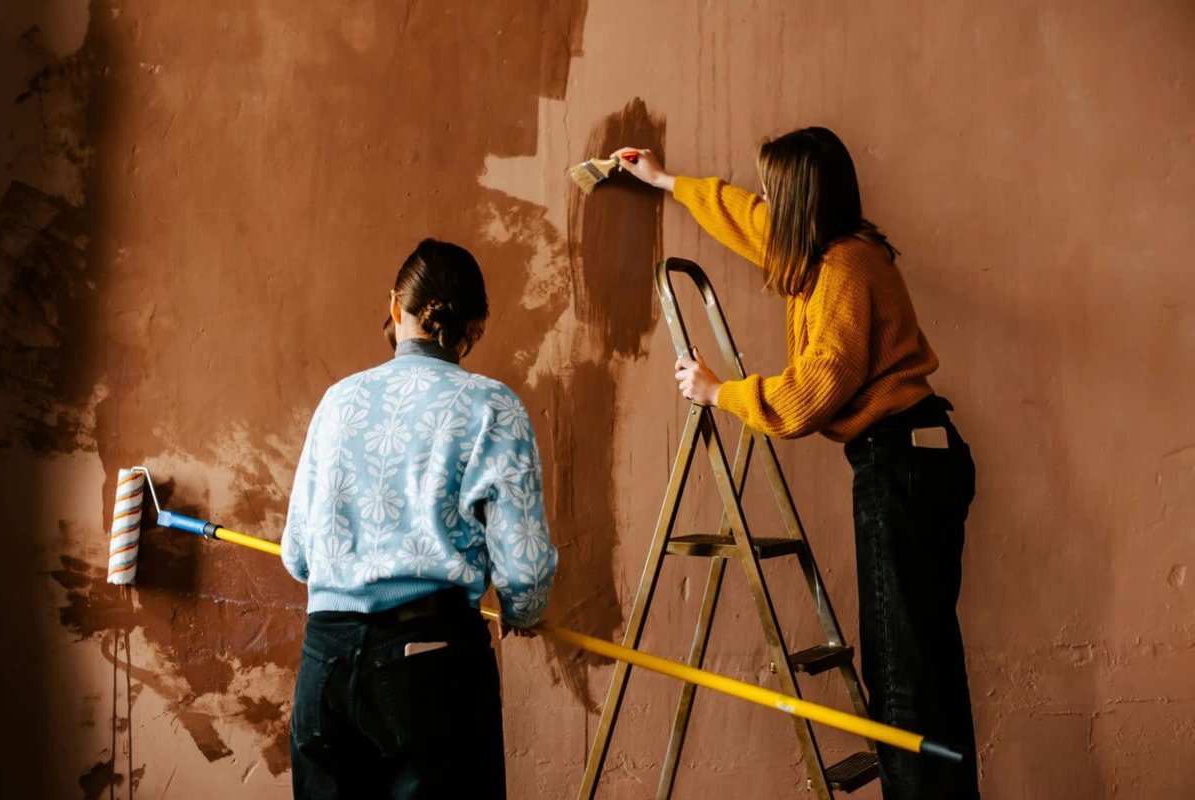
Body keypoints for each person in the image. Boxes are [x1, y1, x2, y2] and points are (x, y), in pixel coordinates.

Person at [612, 129, 979, 799]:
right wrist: (666, 182)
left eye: (773, 193)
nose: (763, 202)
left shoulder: (843, 269)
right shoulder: (828, 253)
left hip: (903, 466)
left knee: (904, 676)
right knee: (923, 665)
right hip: (921, 457)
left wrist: (720, 393)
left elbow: (814, 390)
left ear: (801, 202)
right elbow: (746, 217)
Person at [281, 238, 557, 799]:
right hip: (430, 664)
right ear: (475, 329)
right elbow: (524, 571)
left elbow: (297, 556)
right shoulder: (491, 406)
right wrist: (522, 610)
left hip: (325, 665)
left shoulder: (338, 402)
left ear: (394, 306)